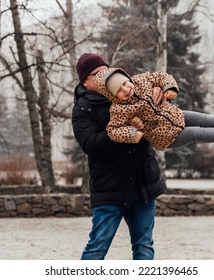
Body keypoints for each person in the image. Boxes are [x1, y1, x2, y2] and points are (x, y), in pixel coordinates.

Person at [71, 53, 165, 260]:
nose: (104, 75)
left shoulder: (128, 90)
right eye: (97, 73)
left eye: (106, 70)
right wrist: (124, 130)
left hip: (143, 186)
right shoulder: (82, 109)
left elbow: (157, 84)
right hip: (109, 188)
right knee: (97, 247)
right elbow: (90, 144)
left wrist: (161, 91)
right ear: (85, 81)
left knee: (144, 246)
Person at [93, 67, 214, 150]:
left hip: (175, 115)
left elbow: (161, 76)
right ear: (113, 96)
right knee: (195, 133)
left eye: (124, 84)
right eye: (119, 91)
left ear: (127, 78)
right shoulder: (119, 109)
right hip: (165, 137)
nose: (126, 90)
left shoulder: (141, 80)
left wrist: (168, 88)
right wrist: (132, 133)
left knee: (203, 118)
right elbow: (113, 130)